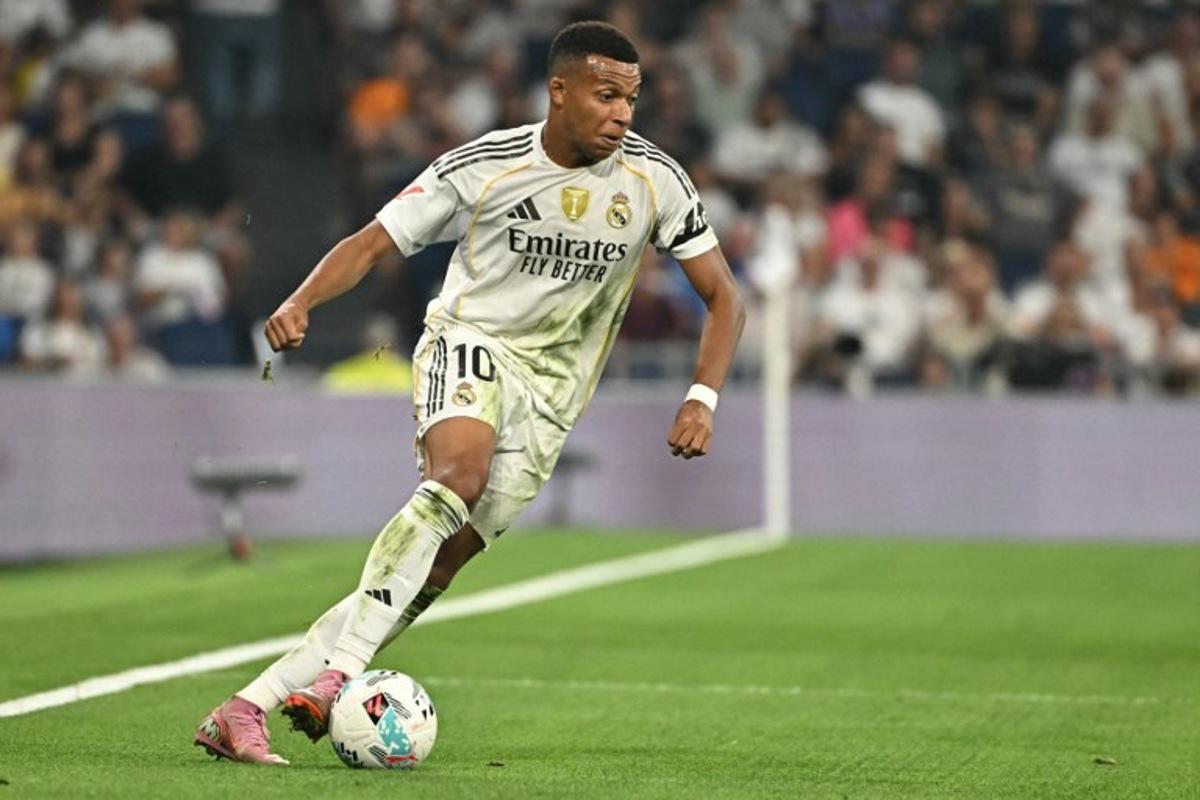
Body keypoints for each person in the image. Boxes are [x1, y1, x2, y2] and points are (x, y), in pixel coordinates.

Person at [193, 21, 745, 766]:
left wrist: (701, 397)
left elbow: (725, 299)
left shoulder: (656, 181)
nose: (622, 113)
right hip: (469, 344)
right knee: (457, 476)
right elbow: (373, 242)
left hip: (553, 399)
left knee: (437, 566)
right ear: (560, 90)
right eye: (606, 95)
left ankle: (245, 708)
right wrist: (301, 301)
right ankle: (340, 673)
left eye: (632, 100)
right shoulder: (483, 165)